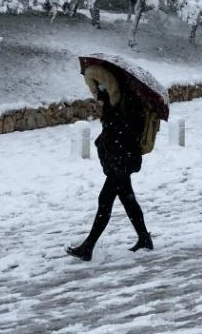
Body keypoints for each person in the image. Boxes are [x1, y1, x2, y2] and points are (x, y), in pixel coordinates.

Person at [67, 65, 153, 261]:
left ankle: (88, 247)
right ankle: (144, 238)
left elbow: (129, 130)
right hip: (117, 158)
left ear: (111, 85)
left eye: (102, 86)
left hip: (123, 159)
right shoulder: (113, 103)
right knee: (127, 199)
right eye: (97, 86)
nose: (100, 90)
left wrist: (113, 123)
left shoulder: (130, 101)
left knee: (105, 200)